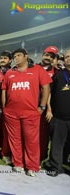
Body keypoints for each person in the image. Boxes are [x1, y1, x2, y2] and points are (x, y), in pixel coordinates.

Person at [1, 48, 52, 177]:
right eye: (14, 56)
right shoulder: (9, 73)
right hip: (11, 113)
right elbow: (4, 91)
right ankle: (18, 164)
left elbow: (46, 87)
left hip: (31, 113)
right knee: (15, 139)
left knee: (31, 141)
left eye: (18, 55)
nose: (16, 58)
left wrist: (42, 107)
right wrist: (4, 108)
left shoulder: (37, 70)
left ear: (26, 56)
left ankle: (32, 166)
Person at [46, 49, 70, 177]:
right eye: (66, 57)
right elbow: (49, 93)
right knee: (56, 144)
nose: (68, 58)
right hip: (59, 116)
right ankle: (55, 167)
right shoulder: (59, 75)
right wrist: (49, 109)